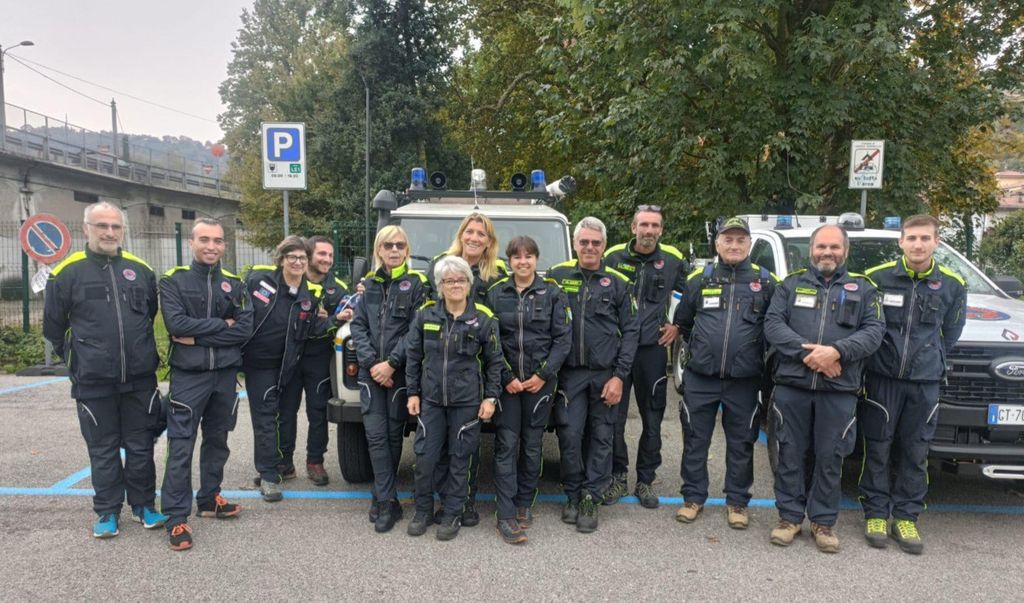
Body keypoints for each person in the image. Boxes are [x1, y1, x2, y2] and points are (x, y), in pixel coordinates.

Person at [43, 201, 165, 539]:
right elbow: (54, 328)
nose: (109, 232)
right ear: (86, 228)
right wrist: (81, 360)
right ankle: (107, 511)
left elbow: (149, 315)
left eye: (115, 226)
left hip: (140, 379)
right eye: (102, 226)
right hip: (93, 383)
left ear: (123, 230)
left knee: (141, 446)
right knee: (103, 449)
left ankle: (144, 506)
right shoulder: (66, 273)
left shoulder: (141, 270)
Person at [764, 224, 885, 553]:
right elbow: (773, 325)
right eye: (821, 246)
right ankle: (789, 519)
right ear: (811, 250)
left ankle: (823, 522)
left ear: (845, 250)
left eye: (834, 247)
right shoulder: (790, 285)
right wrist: (813, 356)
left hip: (839, 388)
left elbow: (874, 331)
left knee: (831, 457)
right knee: (789, 453)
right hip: (793, 385)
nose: (827, 253)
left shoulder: (865, 289)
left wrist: (837, 352)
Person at [860, 214, 966, 554]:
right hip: (882, 379)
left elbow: (951, 332)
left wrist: (928, 358)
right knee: (877, 447)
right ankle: (876, 514)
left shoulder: (952, 284)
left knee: (916, 451)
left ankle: (906, 517)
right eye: (912, 238)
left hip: (924, 383)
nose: (918, 244)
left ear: (936, 242)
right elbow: (866, 326)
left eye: (925, 238)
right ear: (901, 241)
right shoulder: (876, 278)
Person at [671, 217, 778, 528]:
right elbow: (684, 324)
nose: (734, 245)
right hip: (701, 378)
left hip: (744, 380)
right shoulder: (699, 279)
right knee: (695, 439)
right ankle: (692, 498)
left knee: (742, 442)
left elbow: (774, 327)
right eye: (728, 240)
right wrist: (706, 351)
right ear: (717, 244)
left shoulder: (767, 282)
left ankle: (737, 502)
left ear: (749, 244)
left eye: (740, 240)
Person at [158, 218, 253, 551]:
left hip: (225, 376)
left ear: (224, 245)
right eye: (205, 240)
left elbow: (244, 329)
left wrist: (197, 336)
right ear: (192, 242)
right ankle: (175, 517)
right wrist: (223, 325)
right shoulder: (173, 281)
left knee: (217, 441)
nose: (212, 246)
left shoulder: (235, 284)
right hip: (189, 377)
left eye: (218, 240)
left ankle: (210, 499)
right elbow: (175, 325)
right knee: (180, 446)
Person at [547, 217, 640, 534]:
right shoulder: (558, 276)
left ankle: (590, 497)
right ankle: (573, 494)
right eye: (584, 242)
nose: (589, 247)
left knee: (602, 436)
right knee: (570, 435)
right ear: (575, 244)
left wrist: (619, 376)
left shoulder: (618, 282)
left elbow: (631, 332)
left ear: (604, 245)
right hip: (569, 375)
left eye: (595, 243)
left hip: (606, 375)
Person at [405, 256, 504, 541]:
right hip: (431, 401)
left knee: (460, 460)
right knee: (425, 458)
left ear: (469, 284)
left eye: (461, 280)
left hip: (467, 402)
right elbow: (413, 356)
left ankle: (452, 513)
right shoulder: (425, 315)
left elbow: (495, 362)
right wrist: (413, 392)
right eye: (449, 281)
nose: (455, 285)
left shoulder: (483, 318)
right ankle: (423, 511)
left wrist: (491, 398)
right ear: (440, 286)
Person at [486, 236, 572, 544]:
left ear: (537, 259)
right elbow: (491, 341)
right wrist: (506, 376)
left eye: (528, 256)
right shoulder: (496, 293)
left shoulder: (553, 293)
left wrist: (542, 375)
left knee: (532, 446)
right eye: (517, 257)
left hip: (540, 384)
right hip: (507, 385)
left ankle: (524, 503)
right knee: (507, 445)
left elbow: (563, 340)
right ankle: (505, 510)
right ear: (509, 261)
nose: (523, 262)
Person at [424, 212, 508, 526]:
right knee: (439, 445)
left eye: (481, 234)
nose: (474, 237)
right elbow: (426, 309)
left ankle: (465, 503)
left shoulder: (497, 274)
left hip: (478, 364)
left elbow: (501, 323)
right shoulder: (439, 264)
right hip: (443, 367)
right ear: (461, 234)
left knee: (466, 443)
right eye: (469, 231)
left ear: (489, 241)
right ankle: (447, 501)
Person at [603, 205, 690, 508]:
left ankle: (645, 480)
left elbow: (691, 295)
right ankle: (617, 476)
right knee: (613, 419)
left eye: (655, 226)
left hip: (652, 351)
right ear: (633, 228)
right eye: (644, 225)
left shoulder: (673, 259)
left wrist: (678, 326)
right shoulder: (612, 257)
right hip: (617, 352)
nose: (649, 231)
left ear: (661, 230)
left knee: (652, 419)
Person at [242, 236, 333, 502]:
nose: (297, 262)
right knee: (266, 419)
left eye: (302, 258)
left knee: (277, 416)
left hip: (287, 365)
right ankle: (269, 475)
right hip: (258, 364)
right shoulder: (258, 281)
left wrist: (335, 319)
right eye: (291, 257)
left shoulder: (309, 296)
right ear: (281, 259)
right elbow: (237, 306)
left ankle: (273, 468)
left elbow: (312, 330)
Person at [350, 226, 427, 533]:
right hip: (372, 374)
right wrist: (372, 364)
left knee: (393, 437)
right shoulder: (369, 284)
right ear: (378, 250)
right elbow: (358, 326)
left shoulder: (417, 284)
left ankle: (383, 496)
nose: (394, 250)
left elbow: (415, 331)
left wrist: (391, 364)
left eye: (400, 245)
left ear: (406, 250)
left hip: (399, 373)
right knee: (375, 436)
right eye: (388, 245)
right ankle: (387, 500)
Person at [278, 235, 351, 487]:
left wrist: (330, 320)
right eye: (322, 254)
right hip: (290, 357)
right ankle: (284, 463)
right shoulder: (291, 281)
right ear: (308, 255)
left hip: (320, 359)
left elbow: (344, 322)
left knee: (318, 413)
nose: (327, 259)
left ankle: (315, 462)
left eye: (330, 255)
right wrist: (327, 320)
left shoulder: (339, 288)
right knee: (285, 412)